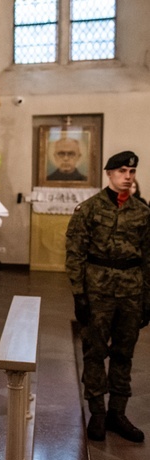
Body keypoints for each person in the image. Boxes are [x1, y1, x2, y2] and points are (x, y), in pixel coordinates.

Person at [66, 150, 150, 443]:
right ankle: (97, 413)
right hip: (98, 290)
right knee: (94, 352)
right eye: (122, 172)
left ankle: (118, 412)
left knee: (124, 353)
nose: (128, 177)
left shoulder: (142, 212)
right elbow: (75, 255)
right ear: (110, 174)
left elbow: (148, 258)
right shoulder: (88, 210)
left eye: (132, 172)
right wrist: (80, 296)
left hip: (131, 291)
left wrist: (147, 298)